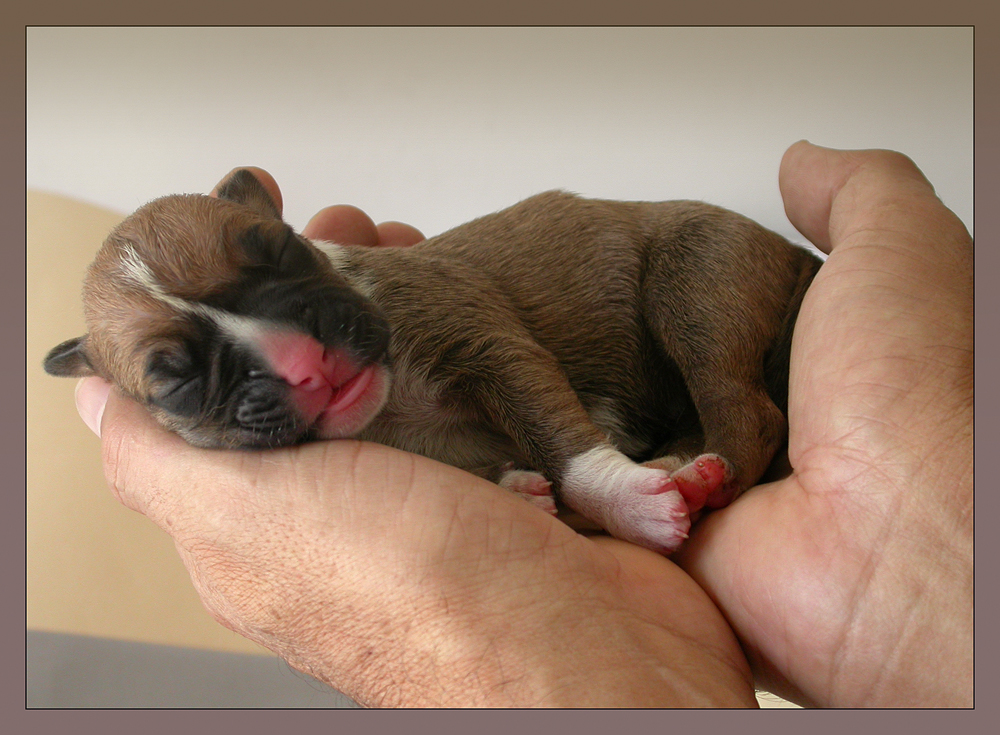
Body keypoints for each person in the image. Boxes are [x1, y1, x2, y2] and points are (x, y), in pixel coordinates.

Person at [73, 141, 973, 708]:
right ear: (131, 403)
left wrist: (596, 481)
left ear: (273, 220)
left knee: (717, 368)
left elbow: (501, 365)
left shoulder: (403, 293)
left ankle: (736, 437)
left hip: (675, 262)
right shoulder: (331, 453)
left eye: (275, 264)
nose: (296, 358)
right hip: (646, 439)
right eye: (182, 379)